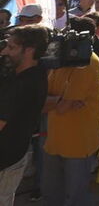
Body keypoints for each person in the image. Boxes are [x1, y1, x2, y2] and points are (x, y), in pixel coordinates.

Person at [43, 36, 99, 206]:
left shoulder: (87, 61)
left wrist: (55, 101)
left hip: (78, 145)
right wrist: (60, 100)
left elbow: (60, 107)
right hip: (54, 141)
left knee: (75, 197)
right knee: (51, 194)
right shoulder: (61, 59)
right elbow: (41, 102)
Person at [0, 25, 49, 204]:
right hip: (15, 155)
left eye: (11, 47)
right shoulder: (37, 70)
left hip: (5, 161)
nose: (4, 51)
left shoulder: (22, 85)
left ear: (29, 50)